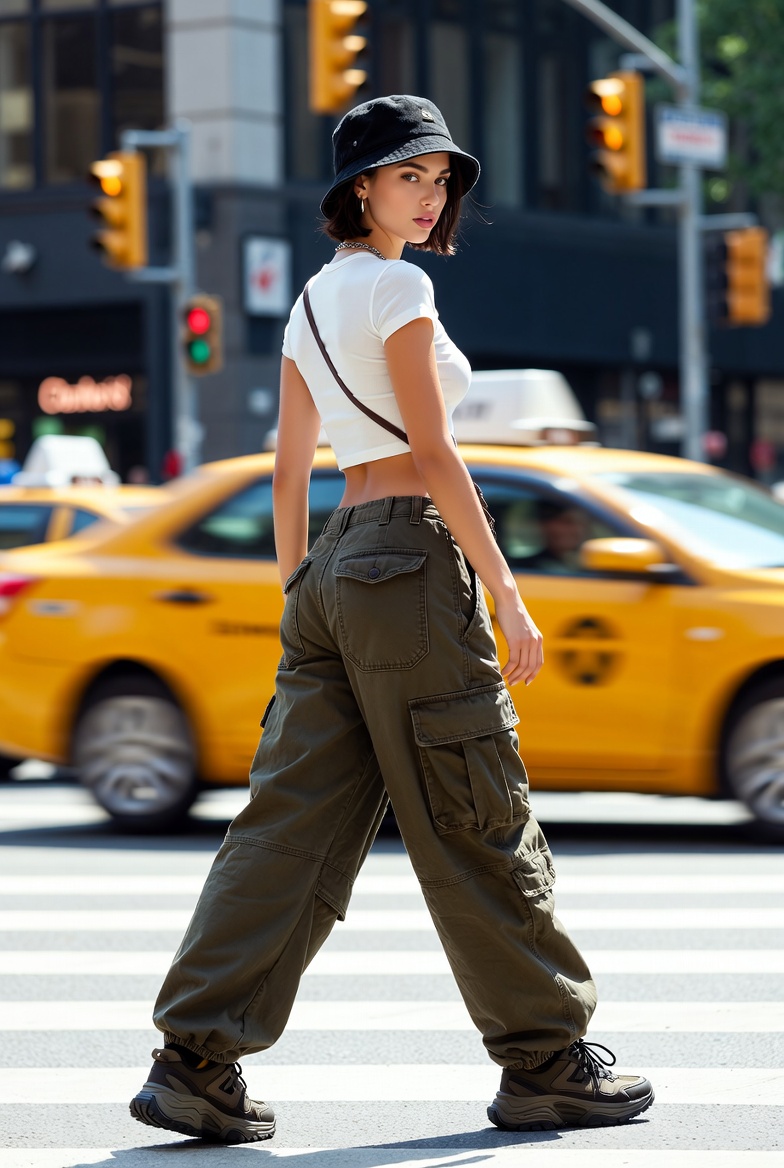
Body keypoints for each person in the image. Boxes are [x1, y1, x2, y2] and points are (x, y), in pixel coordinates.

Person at [130, 94, 654, 1145]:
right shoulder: (398, 286)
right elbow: (436, 449)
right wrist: (504, 590)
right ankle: (545, 1060)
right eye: (408, 174)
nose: (429, 195)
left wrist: (299, 591)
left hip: (332, 566)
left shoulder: (308, 304)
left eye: (439, 177)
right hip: (410, 561)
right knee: (473, 807)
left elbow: (288, 469)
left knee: (287, 826)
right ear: (358, 186)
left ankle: (194, 1058)